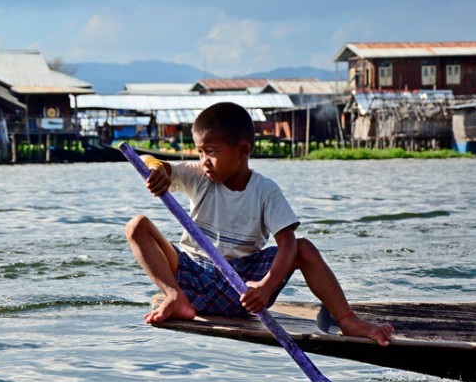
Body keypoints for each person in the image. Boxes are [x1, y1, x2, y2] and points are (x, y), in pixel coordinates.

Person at [125, 102, 394, 345]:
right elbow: (154, 162)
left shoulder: (265, 191)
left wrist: (265, 286)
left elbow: (287, 244)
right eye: (200, 152)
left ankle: (347, 320)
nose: (204, 160)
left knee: (303, 247)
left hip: (242, 289)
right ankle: (175, 297)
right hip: (192, 278)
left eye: (212, 152)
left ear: (242, 150)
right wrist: (156, 169)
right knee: (137, 226)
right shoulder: (198, 176)